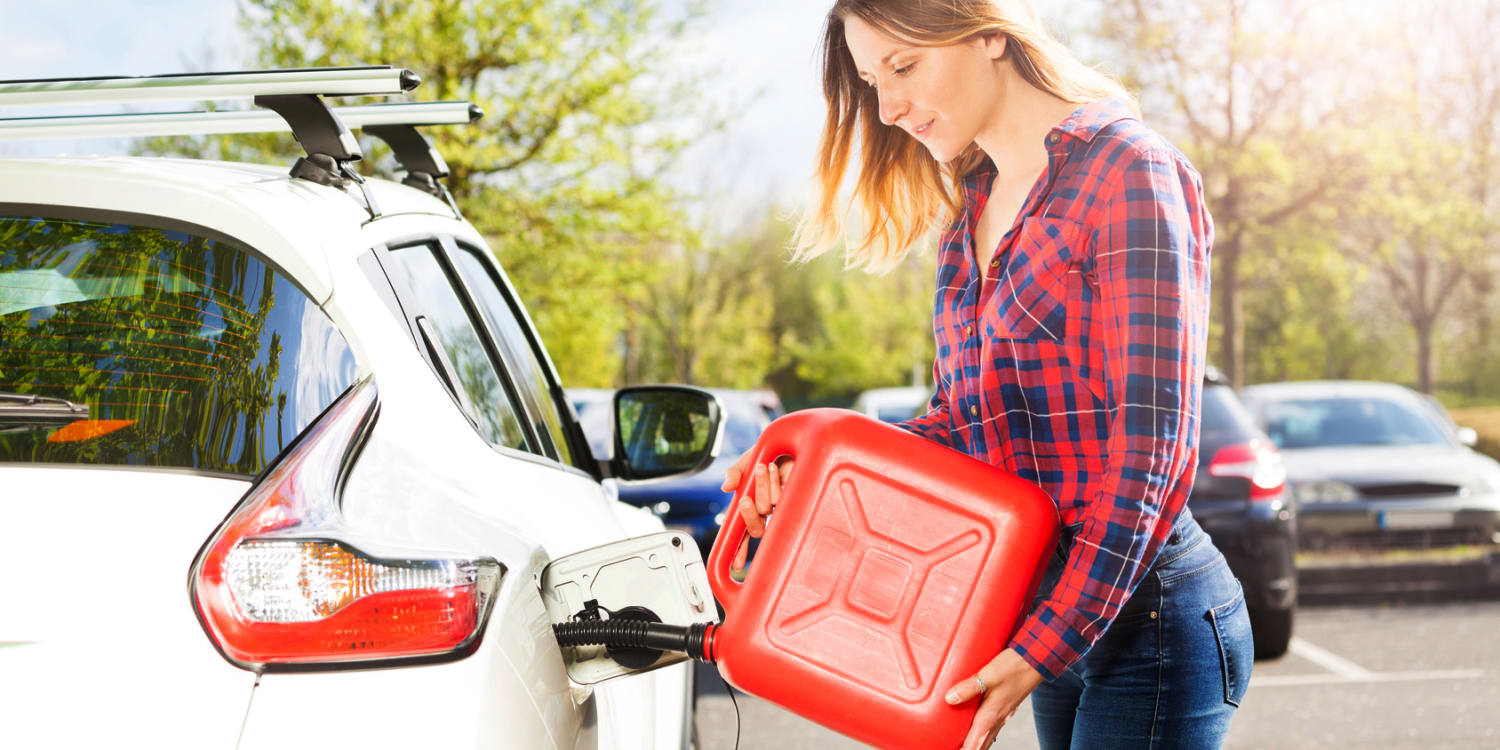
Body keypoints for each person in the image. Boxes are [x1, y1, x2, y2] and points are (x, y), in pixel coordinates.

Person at [721, 1, 1253, 748]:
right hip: (1037, 612)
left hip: (1148, 620)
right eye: (874, 81)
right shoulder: (970, 206)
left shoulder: (1129, 172)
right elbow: (960, 427)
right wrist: (811, 468)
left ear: (990, 32)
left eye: (904, 67)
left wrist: (1044, 646)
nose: (890, 106)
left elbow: (1154, 454)